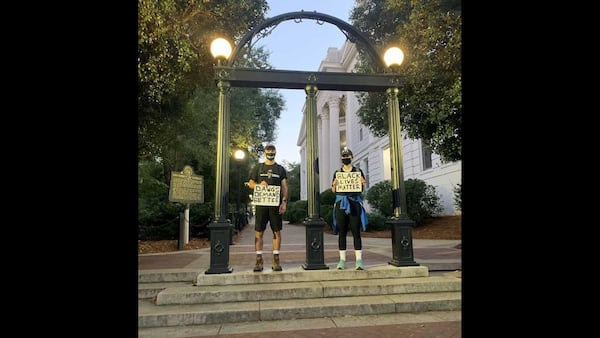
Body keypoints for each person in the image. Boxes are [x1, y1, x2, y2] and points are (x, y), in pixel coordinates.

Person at [248, 144, 289, 272]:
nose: (270, 152)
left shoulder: (280, 169)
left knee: (276, 232)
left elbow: (284, 186)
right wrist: (259, 185)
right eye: (268, 150)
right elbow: (250, 183)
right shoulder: (258, 167)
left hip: (275, 205)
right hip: (261, 204)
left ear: (275, 152)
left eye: (272, 150)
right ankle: (258, 260)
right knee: (259, 232)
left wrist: (284, 202)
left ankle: (276, 259)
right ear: (265, 152)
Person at [331, 147, 369, 270]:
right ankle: (342, 260)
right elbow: (333, 190)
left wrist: (363, 183)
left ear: (351, 157)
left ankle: (359, 260)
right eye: (343, 156)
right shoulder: (337, 173)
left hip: (354, 203)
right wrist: (334, 186)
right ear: (341, 158)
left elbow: (362, 188)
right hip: (341, 203)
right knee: (342, 232)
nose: (345, 158)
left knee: (355, 231)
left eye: (347, 156)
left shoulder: (358, 171)